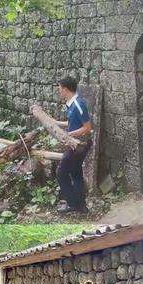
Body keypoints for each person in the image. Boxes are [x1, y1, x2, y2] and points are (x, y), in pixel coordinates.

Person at [56, 76, 93, 214]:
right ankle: (82, 206)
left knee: (61, 173)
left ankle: (72, 204)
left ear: (66, 89)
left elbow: (87, 128)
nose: (59, 91)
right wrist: (56, 123)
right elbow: (72, 124)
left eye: (60, 89)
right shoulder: (71, 105)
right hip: (77, 144)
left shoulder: (78, 104)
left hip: (80, 145)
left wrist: (68, 135)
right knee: (76, 172)